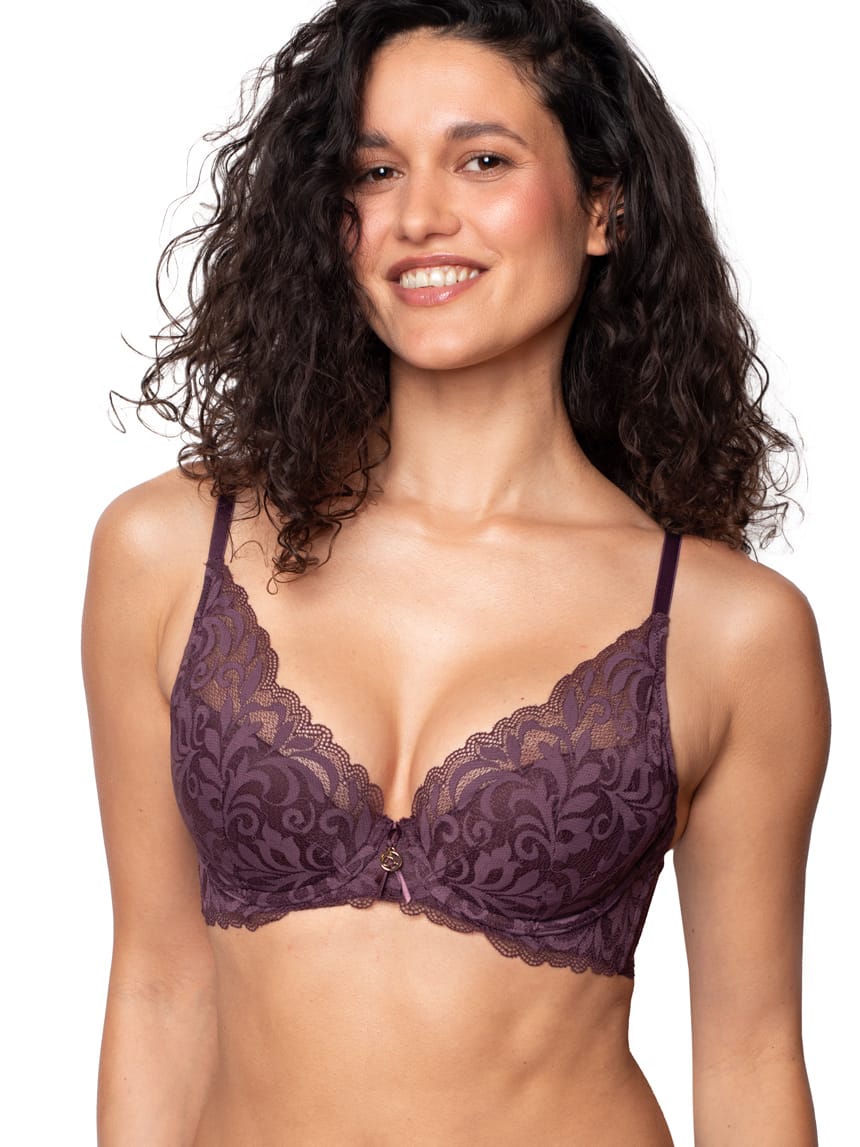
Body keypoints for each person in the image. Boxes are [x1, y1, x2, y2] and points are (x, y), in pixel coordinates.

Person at [82, 1, 829, 1143]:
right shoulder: (169, 549)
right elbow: (156, 986)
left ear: (603, 207)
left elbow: (749, 1055)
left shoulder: (728, 628)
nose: (420, 216)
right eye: (375, 170)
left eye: (482, 161)